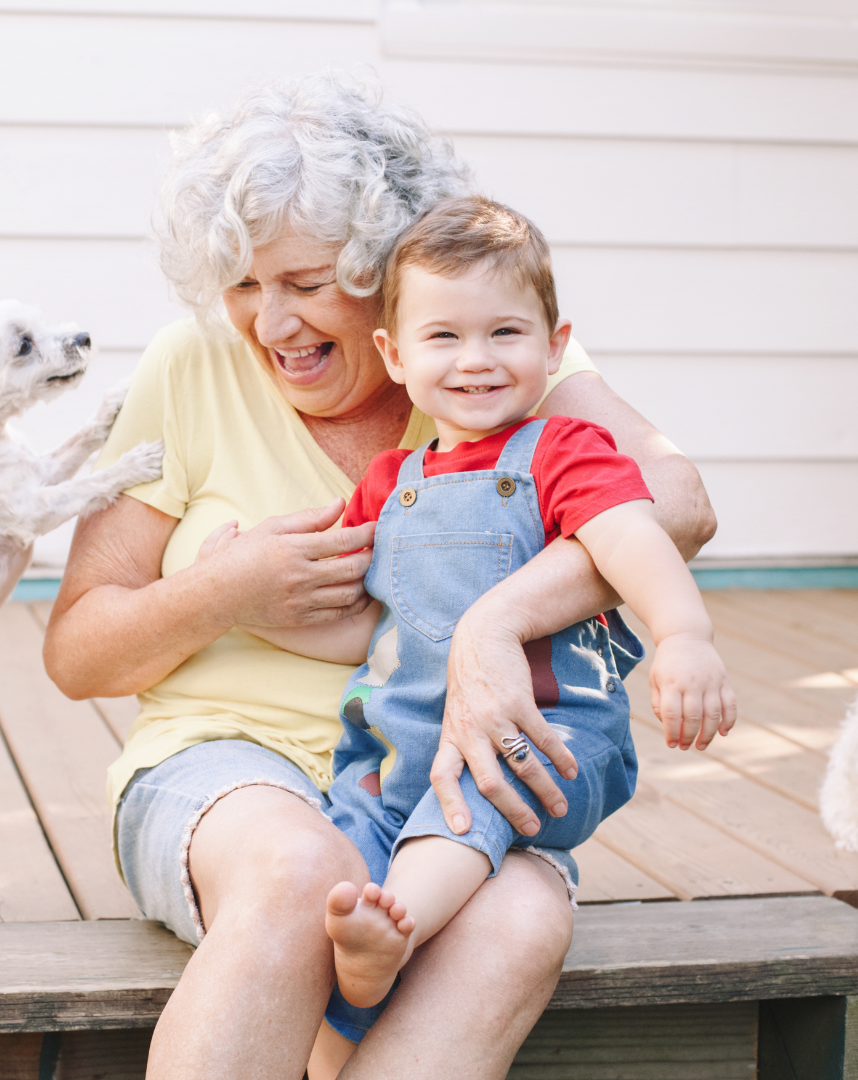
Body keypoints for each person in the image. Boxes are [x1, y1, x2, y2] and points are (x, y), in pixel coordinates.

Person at [42, 73, 719, 1080]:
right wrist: (229, 590)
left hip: (452, 774)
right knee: (299, 870)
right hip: (231, 766)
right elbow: (76, 650)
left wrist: (494, 621)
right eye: (242, 283)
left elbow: (678, 503)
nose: (269, 323)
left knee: (525, 913)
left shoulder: (482, 351)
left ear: (389, 270)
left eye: (306, 281)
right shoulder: (190, 366)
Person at [204, 196, 737, 1014]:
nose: (476, 360)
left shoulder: (564, 452)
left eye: (505, 333)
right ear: (394, 354)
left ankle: (403, 930)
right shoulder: (392, 482)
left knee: (478, 803)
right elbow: (364, 625)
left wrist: (684, 634)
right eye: (444, 336)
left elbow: (633, 539)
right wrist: (242, 601)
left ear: (555, 346)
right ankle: (347, 1004)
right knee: (339, 880)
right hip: (401, 750)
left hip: (543, 738)